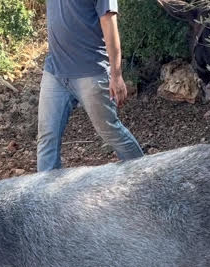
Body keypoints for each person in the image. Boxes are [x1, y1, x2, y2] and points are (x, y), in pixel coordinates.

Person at [37, 0, 144, 172]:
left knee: (109, 131)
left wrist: (116, 76)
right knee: (47, 137)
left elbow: (110, 27)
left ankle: (144, 175)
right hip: (55, 72)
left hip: (91, 73)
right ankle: (43, 196)